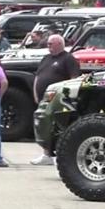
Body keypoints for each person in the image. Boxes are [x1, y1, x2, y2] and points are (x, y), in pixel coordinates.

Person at [31, 35, 81, 165]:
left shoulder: (68, 59)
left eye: (50, 44)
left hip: (58, 101)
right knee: (43, 126)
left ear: (59, 44)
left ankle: (61, 156)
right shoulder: (46, 58)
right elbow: (38, 76)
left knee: (57, 128)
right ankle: (46, 154)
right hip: (44, 99)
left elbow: (74, 78)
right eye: (48, 44)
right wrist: (36, 94)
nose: (48, 46)